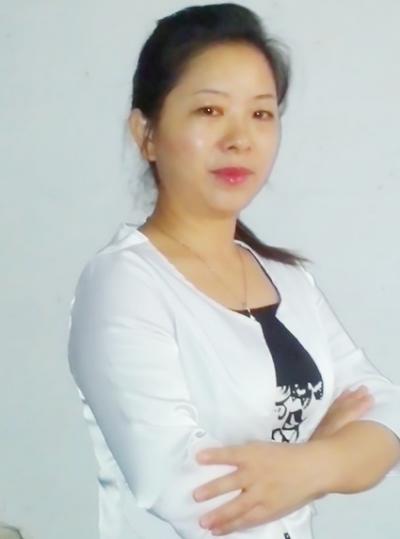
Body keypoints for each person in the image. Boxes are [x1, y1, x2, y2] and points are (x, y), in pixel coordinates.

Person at [67, 3, 400, 539]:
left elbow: (387, 411)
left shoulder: (288, 281)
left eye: (261, 114)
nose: (240, 138)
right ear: (146, 133)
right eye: (209, 110)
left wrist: (306, 466)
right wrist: (326, 457)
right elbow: (191, 497)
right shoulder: (124, 285)